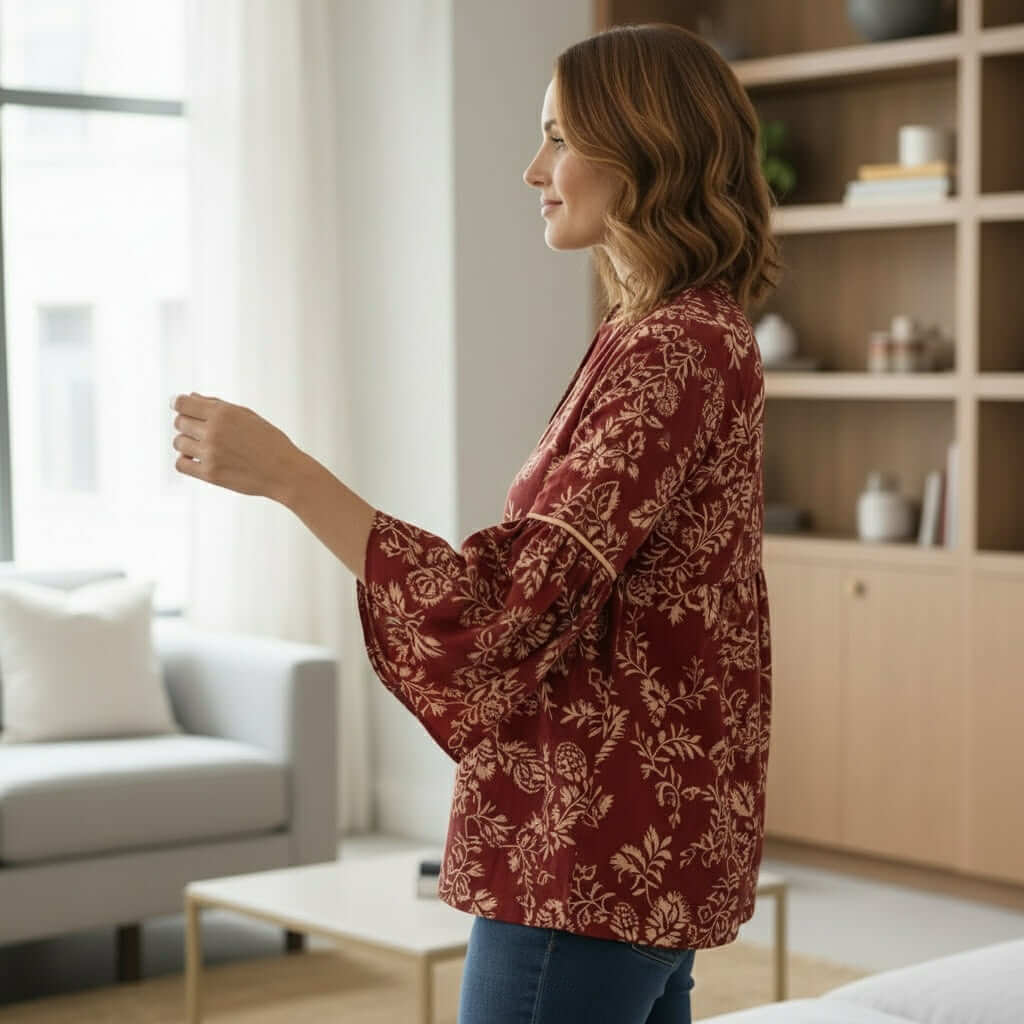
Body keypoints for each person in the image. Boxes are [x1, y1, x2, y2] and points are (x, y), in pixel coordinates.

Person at [170, 20, 780, 1024]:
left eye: (558, 136)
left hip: (584, 852)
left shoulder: (672, 351)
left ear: (644, 149)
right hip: (638, 843)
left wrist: (287, 474)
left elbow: (508, 606)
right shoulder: (664, 333)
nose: (532, 167)